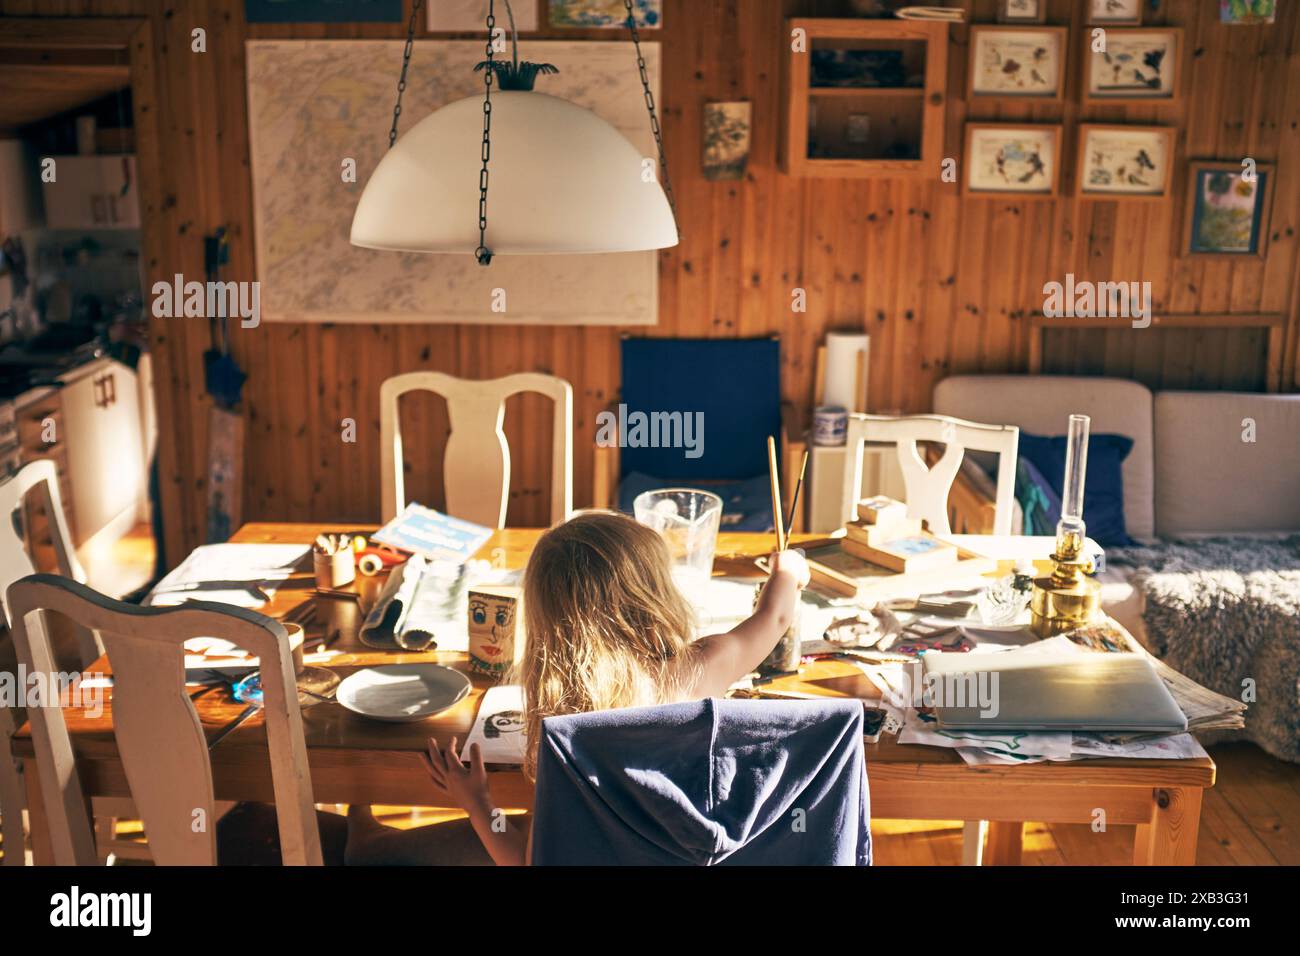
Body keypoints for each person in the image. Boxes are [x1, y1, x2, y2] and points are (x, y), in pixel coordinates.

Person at [345, 511, 809, 866]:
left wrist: (477, 801)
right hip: (685, 850)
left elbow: (526, 858)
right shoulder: (703, 667)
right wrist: (788, 572)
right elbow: (775, 618)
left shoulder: (564, 725)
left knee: (441, 842)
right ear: (653, 594)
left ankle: (370, 845)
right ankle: (373, 845)